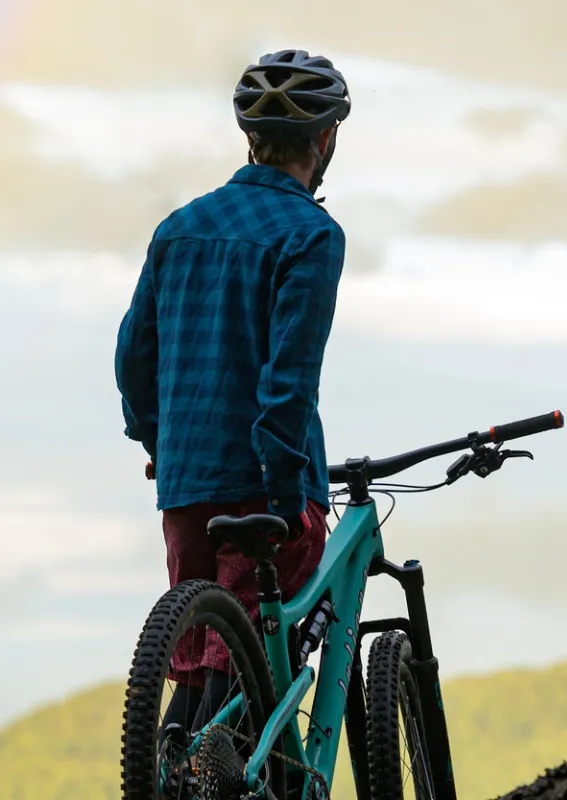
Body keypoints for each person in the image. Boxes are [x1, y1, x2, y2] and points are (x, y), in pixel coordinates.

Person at [114, 49, 350, 730]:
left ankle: (172, 766)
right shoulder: (312, 235)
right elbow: (289, 383)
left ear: (249, 136)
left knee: (193, 661)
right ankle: (226, 761)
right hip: (264, 488)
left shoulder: (179, 228)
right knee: (250, 668)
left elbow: (134, 358)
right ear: (326, 139)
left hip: (186, 484)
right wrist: (286, 496)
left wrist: (159, 440)